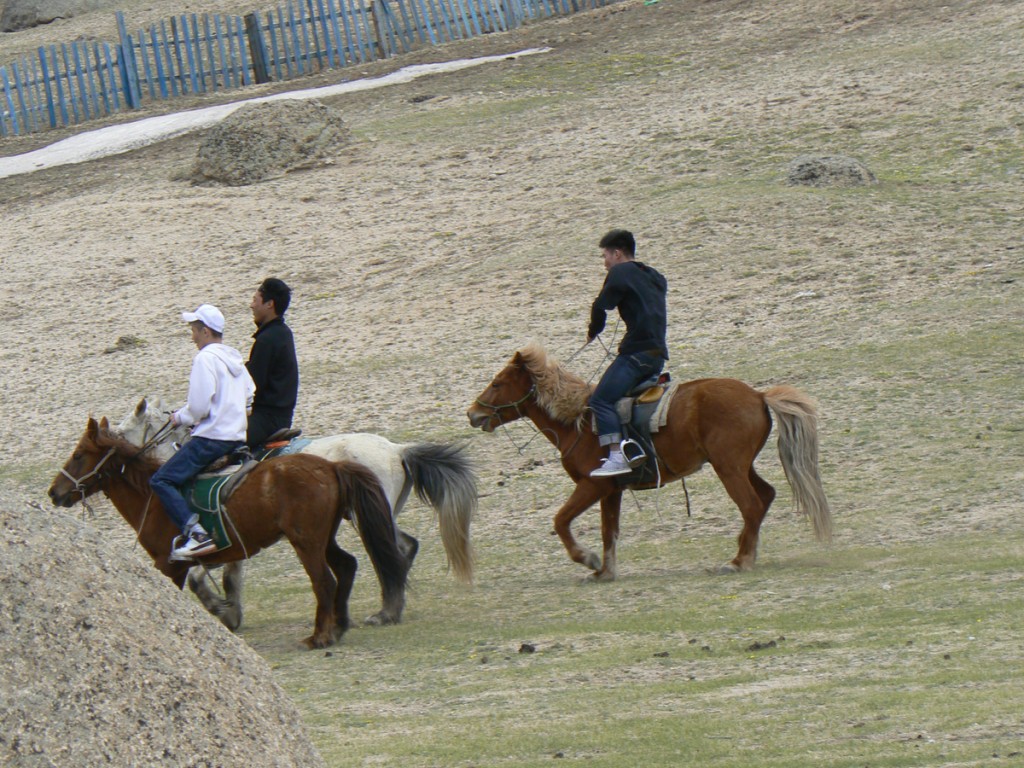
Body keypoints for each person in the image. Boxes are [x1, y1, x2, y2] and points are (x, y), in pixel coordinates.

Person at [150, 304, 255, 559]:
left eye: (195, 331)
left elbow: (198, 408)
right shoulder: (235, 360)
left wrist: (179, 417)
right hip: (236, 438)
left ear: (206, 331)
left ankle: (197, 535)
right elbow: (250, 399)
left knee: (161, 480)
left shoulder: (205, 358)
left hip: (211, 439)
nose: (192, 337)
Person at [586, 229, 669, 477]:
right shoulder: (655, 276)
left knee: (600, 400)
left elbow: (600, 306)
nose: (605, 264)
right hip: (657, 356)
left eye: (606, 257)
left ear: (618, 253)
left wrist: (593, 331)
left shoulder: (620, 272)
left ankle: (616, 456)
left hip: (636, 354)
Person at [245, 277, 299, 449]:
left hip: (266, 419)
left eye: (255, 300)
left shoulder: (267, 340)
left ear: (269, 304)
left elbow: (251, 383)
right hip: (282, 416)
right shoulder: (283, 333)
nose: (252, 305)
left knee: (217, 441)